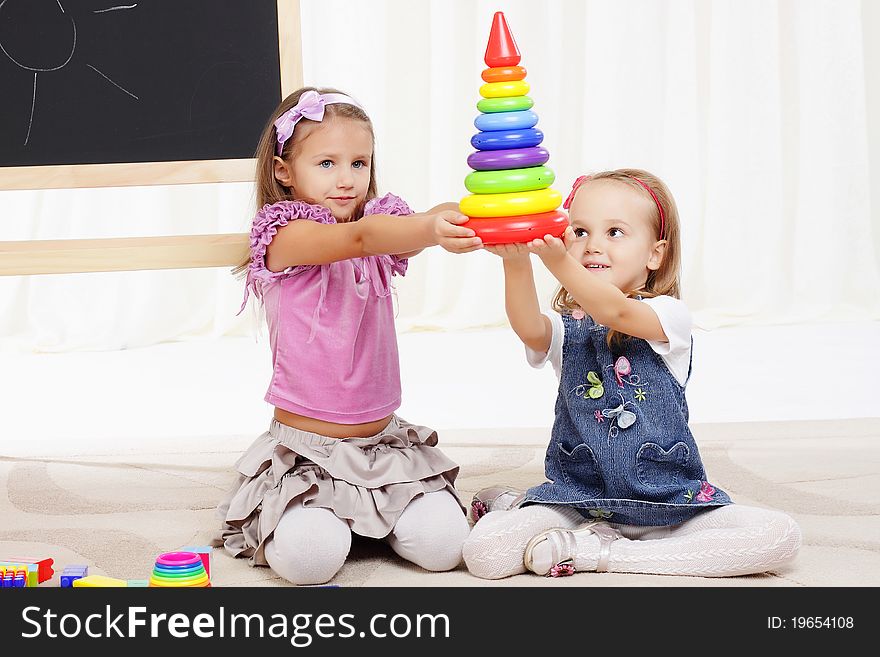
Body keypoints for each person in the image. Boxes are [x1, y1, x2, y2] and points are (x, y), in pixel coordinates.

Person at [463, 169, 801, 579]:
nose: (593, 246)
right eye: (580, 231)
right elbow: (530, 328)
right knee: (484, 553)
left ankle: (594, 553)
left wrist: (556, 260)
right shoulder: (568, 327)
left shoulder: (668, 318)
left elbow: (616, 311)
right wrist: (516, 263)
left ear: (655, 254)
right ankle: (530, 511)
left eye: (615, 232)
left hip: (673, 504)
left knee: (778, 536)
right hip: (578, 500)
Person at [214, 87, 479, 585]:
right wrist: (428, 229)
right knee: (311, 562)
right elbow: (358, 239)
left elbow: (408, 223)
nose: (346, 179)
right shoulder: (287, 236)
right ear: (283, 171)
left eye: (359, 163)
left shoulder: (381, 222)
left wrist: (471, 213)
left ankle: (371, 516)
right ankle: (318, 517)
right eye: (327, 163)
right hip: (310, 454)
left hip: (384, 447)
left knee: (447, 547)